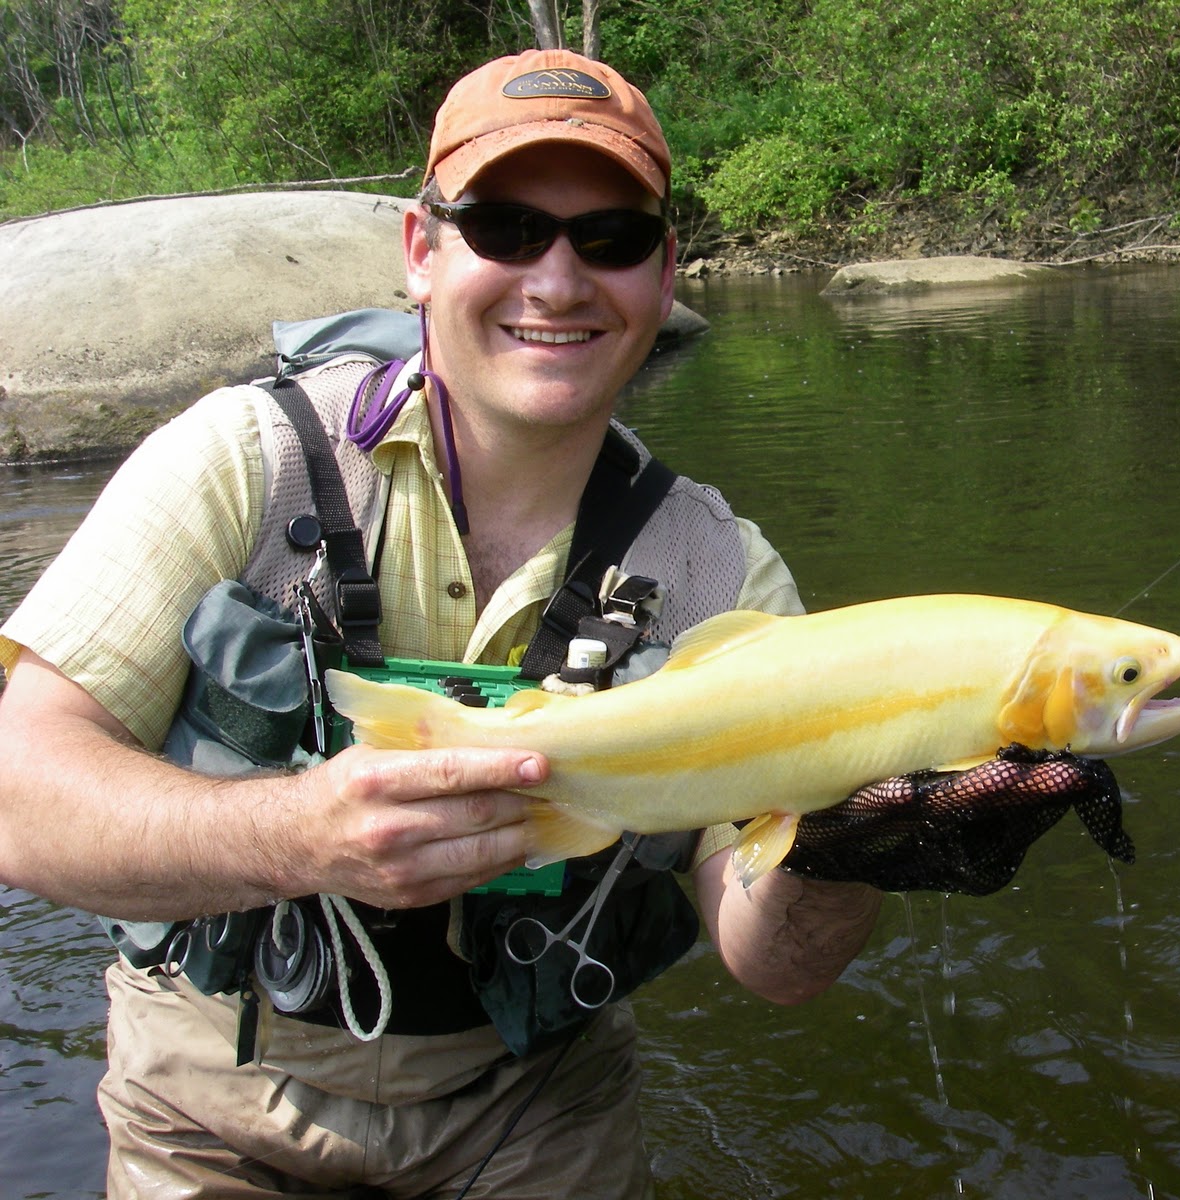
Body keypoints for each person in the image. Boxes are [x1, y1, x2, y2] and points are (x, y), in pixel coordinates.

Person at [0, 48, 885, 1197]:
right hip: (207, 1105)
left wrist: (851, 849)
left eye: (609, 238)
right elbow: (20, 801)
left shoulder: (720, 571)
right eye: (507, 228)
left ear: (664, 275)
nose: (557, 281)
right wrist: (298, 833)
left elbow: (775, 965)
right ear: (423, 253)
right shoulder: (240, 460)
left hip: (539, 1107)